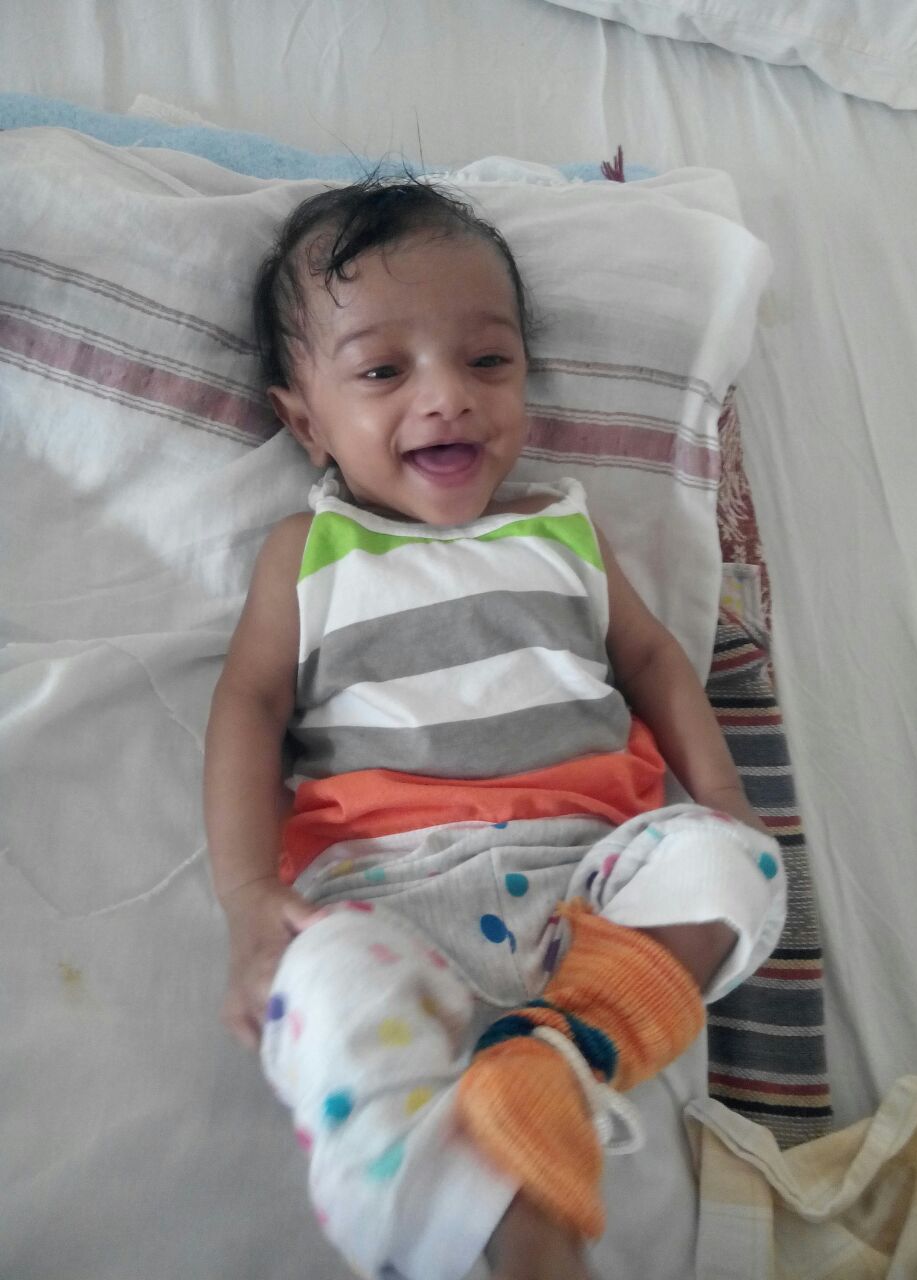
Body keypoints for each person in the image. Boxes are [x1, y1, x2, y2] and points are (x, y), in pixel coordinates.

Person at [203, 176, 785, 1280]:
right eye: (384, 371)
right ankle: (514, 1209)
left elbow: (655, 660)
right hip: (384, 889)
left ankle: (554, 1049)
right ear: (305, 419)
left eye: (486, 360)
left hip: (592, 890)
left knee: (738, 869)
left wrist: (721, 800)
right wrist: (243, 897)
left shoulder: (563, 530)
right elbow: (249, 707)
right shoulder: (307, 552)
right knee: (320, 987)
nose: (448, 398)